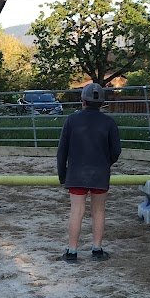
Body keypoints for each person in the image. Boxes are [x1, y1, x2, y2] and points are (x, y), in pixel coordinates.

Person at [56, 82, 121, 263]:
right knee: (98, 211)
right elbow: (116, 151)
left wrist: (63, 175)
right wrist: (105, 163)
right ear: (101, 103)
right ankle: (97, 250)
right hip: (100, 173)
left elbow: (62, 151)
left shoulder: (71, 120)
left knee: (76, 211)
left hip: (76, 173)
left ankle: (72, 251)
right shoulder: (109, 122)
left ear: (82, 100)